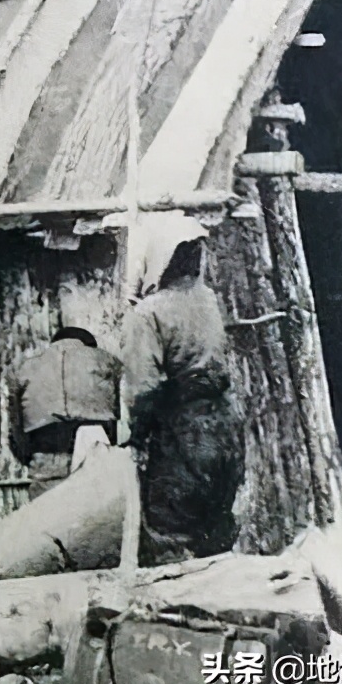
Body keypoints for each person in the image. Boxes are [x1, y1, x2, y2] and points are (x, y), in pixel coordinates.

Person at [122, 215, 245, 565]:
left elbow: (143, 387)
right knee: (216, 529)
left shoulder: (149, 312)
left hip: (185, 432)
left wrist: (137, 436)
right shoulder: (209, 300)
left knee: (170, 536)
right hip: (226, 427)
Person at [11, 327, 122, 497]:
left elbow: (15, 424)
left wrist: (30, 454)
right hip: (97, 447)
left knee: (49, 509)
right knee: (99, 507)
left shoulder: (26, 368)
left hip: (46, 452)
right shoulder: (108, 361)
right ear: (89, 346)